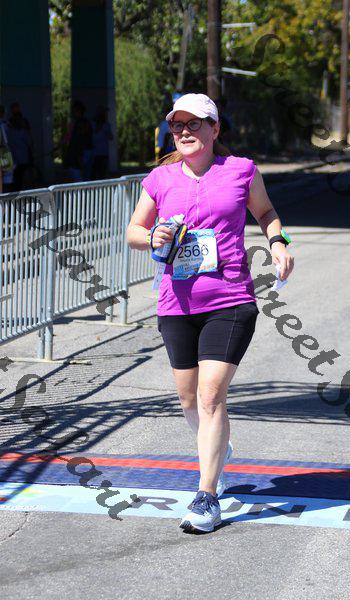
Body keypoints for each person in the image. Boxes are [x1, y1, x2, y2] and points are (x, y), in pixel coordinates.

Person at [126, 92, 294, 534]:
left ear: (214, 129)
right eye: (177, 125)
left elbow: (266, 212)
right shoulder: (160, 178)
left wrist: (278, 243)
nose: (184, 132)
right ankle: (217, 448)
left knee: (210, 395)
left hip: (230, 300)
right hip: (176, 303)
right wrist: (153, 237)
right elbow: (134, 231)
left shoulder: (241, 170)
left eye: (194, 124)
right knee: (189, 400)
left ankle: (207, 497)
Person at [63, 100, 93, 182]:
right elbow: (69, 136)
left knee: (79, 174)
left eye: (74, 110)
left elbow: (75, 137)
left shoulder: (81, 123)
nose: (72, 113)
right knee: (82, 174)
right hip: (82, 151)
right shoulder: (80, 122)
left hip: (81, 152)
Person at [91, 105, 113, 180]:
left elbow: (111, 137)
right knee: (94, 173)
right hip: (95, 153)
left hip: (103, 153)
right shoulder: (93, 125)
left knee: (102, 173)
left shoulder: (106, 125)